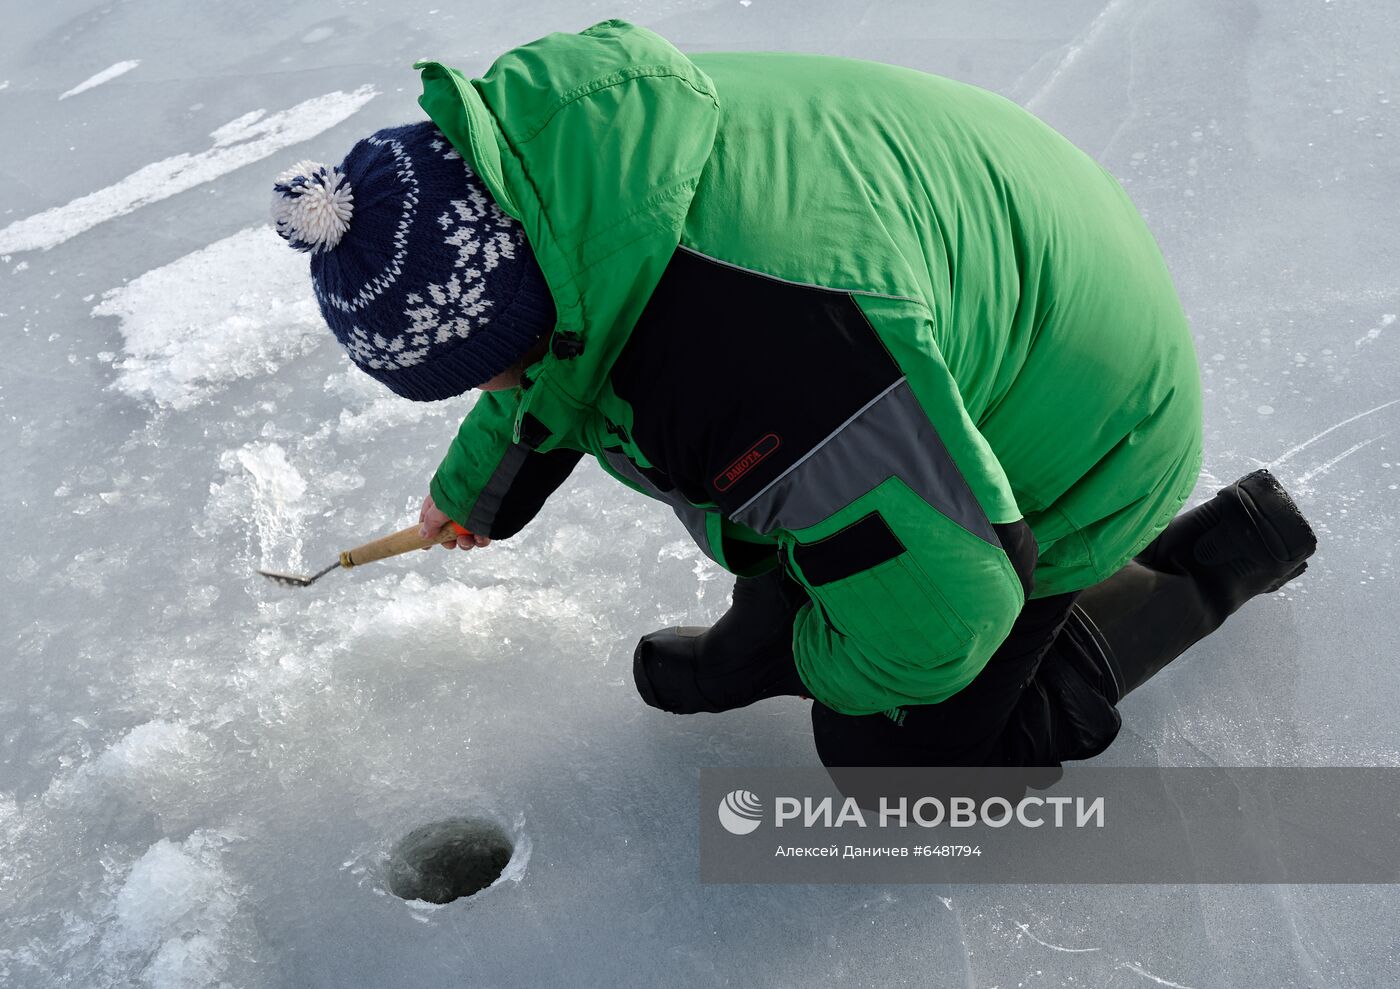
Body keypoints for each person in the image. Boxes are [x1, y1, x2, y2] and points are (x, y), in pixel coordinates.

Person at [269, 19, 1316, 775]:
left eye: (484, 372)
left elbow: (946, 618)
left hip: (1085, 439)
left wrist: (808, 658)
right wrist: (480, 492)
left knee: (898, 757)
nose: (497, 390)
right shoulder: (573, 166)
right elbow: (562, 345)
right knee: (810, 527)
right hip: (995, 294)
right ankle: (805, 605)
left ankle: (1218, 554)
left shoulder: (753, 350)